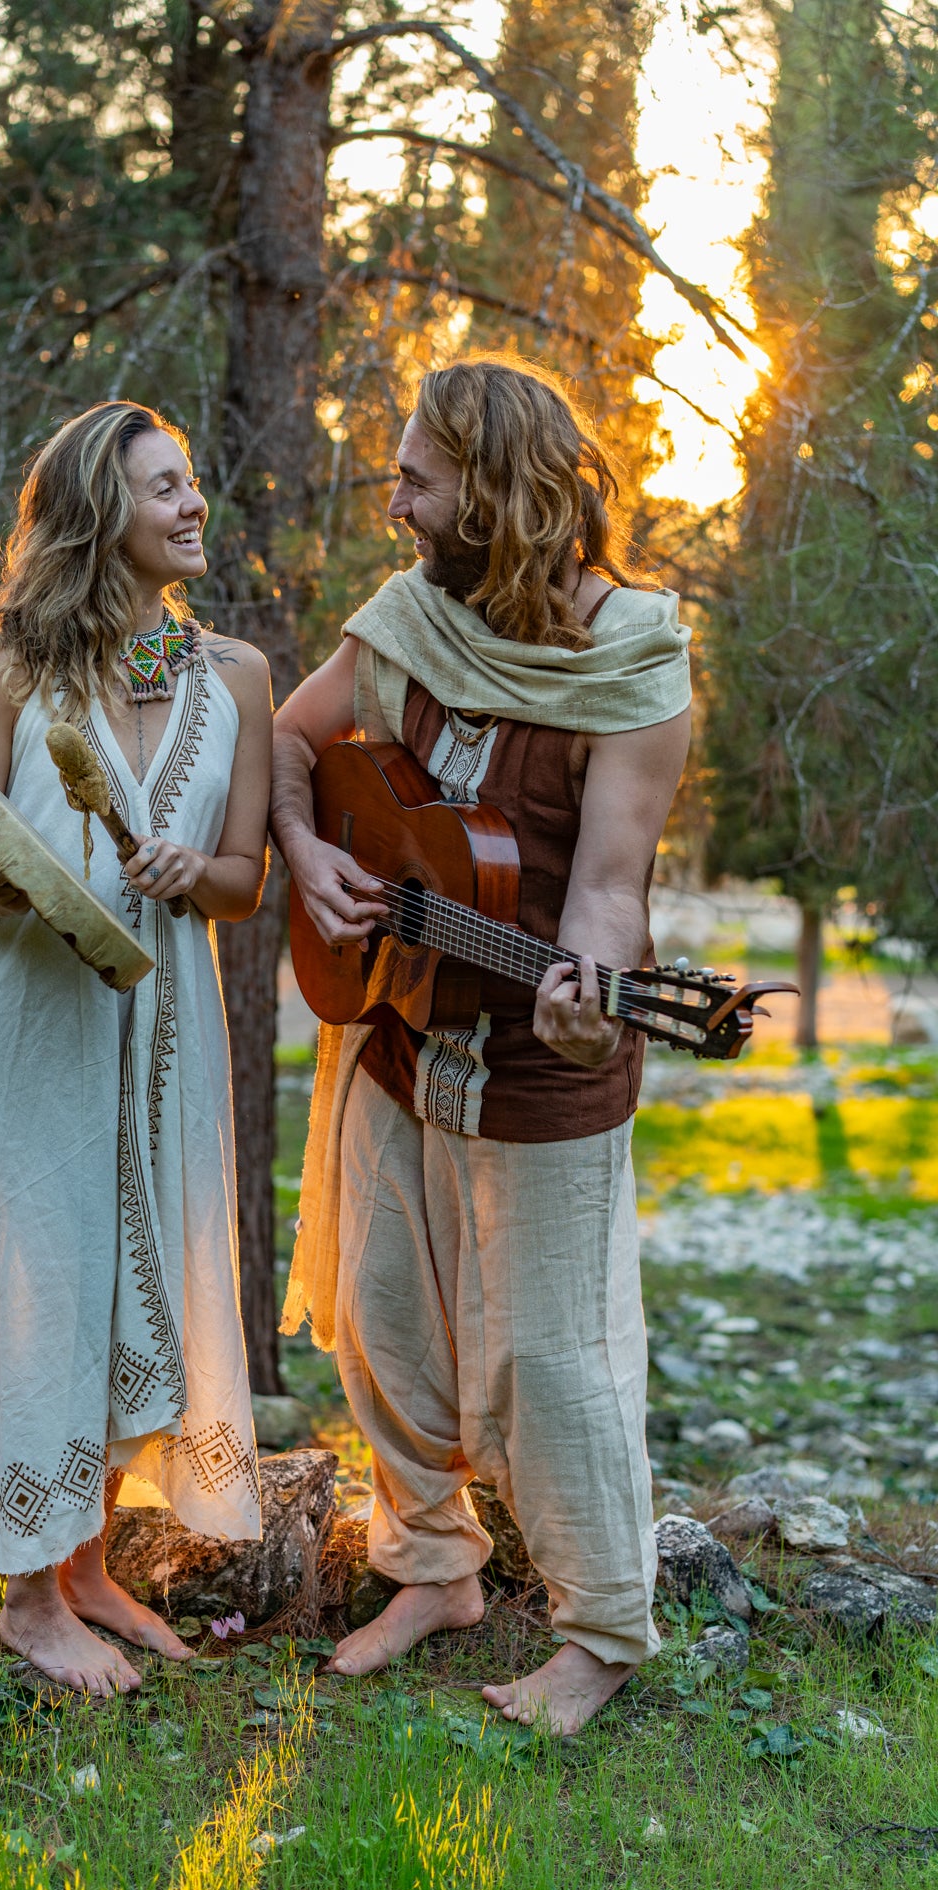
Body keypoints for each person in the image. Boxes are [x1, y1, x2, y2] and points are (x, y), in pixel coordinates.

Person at [271, 358, 692, 1735]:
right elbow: (290, 739)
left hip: (540, 1056)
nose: (392, 498)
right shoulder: (405, 619)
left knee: (546, 1359)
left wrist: (594, 986)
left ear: (496, 491)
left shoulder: (633, 657)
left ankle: (603, 1629)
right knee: (386, 1316)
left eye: (417, 478)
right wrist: (305, 856)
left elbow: (611, 887)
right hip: (399, 1024)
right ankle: (434, 1569)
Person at [0, 401, 272, 1697]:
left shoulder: (240, 679)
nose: (193, 504)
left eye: (191, 481)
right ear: (100, 516)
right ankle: (27, 1599)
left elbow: (243, 882)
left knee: (141, 1275)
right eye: (165, 488)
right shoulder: (8, 673)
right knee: (43, 1277)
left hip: (173, 1030)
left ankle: (90, 1563)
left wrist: (194, 865)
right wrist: (6, 887)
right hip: (39, 1030)